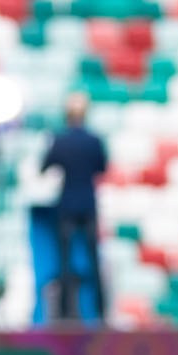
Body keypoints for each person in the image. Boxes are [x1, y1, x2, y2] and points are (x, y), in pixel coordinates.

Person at [40, 91, 110, 324]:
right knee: (93, 259)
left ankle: (67, 311)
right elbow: (102, 167)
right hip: (88, 203)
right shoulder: (94, 140)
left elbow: (45, 166)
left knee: (65, 260)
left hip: (67, 204)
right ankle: (101, 311)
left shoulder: (60, 140)